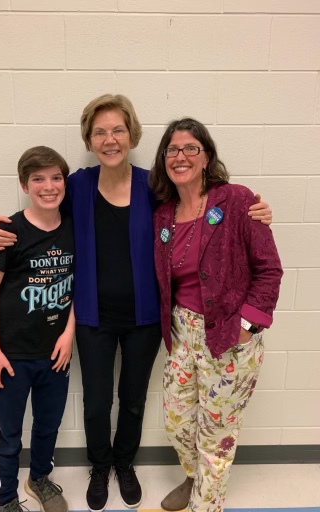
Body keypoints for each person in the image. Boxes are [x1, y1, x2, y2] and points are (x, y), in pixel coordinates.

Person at [0, 95, 272, 512]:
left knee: (133, 398)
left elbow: (202, 207)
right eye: (100, 131)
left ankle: (125, 463)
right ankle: (100, 467)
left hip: (144, 318)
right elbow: (39, 210)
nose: (110, 138)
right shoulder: (78, 185)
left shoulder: (153, 186)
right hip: (92, 318)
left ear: (131, 135)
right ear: (89, 139)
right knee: (97, 401)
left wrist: (256, 211)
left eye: (117, 129)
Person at [150, 118, 283, 512]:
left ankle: (206, 505)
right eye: (172, 149)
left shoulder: (238, 200)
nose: (181, 156)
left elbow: (269, 270)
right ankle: (194, 480)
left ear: (206, 156)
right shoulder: (163, 214)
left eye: (191, 148)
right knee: (177, 423)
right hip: (182, 335)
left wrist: (247, 326)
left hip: (229, 335)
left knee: (216, 436)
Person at [0, 146, 75, 512]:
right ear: (24, 185)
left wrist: (69, 333)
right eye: (38, 179)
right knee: (9, 436)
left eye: (55, 177)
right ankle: (5, 500)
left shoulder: (73, 228)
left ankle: (39, 479)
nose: (48, 186)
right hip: (12, 355)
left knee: (48, 426)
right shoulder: (9, 231)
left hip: (55, 352)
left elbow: (78, 284)